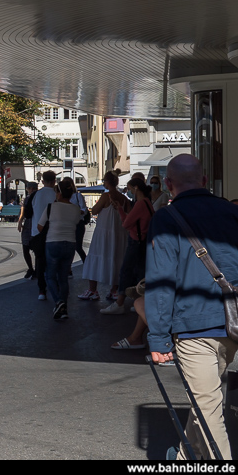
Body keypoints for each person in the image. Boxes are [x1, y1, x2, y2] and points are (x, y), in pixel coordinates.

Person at [147, 154, 238, 460]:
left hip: (192, 328)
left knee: (209, 408)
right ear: (203, 181)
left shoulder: (165, 219)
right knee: (206, 400)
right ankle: (186, 456)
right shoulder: (232, 212)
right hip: (232, 322)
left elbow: (161, 282)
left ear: (169, 185)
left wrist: (158, 338)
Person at [102, 176, 154, 315]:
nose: (129, 191)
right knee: (140, 272)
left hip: (135, 241)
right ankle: (142, 301)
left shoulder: (140, 204)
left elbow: (126, 224)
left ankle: (119, 303)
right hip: (143, 241)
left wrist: (120, 211)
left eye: (130, 189)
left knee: (126, 271)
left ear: (135, 188)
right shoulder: (148, 202)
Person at [36, 178, 84, 322]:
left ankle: (59, 302)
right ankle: (63, 307)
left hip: (53, 242)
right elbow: (75, 223)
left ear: (59, 193)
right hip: (70, 243)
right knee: (63, 277)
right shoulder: (76, 209)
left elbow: (40, 227)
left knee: (50, 276)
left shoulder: (51, 207)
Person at [80, 171, 129, 302]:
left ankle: (93, 290)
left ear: (107, 182)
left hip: (104, 232)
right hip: (119, 233)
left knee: (96, 257)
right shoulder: (123, 198)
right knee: (117, 258)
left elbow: (94, 210)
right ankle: (114, 290)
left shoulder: (106, 196)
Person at [29, 171, 60, 301]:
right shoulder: (57, 195)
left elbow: (28, 213)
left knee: (40, 261)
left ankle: (42, 290)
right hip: (54, 232)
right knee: (54, 261)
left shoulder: (36, 194)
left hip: (37, 232)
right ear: (54, 181)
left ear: (42, 181)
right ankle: (57, 287)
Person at [18, 181, 39, 280]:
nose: (30, 190)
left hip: (35, 224)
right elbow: (23, 211)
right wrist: (20, 221)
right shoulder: (26, 199)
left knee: (36, 249)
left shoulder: (38, 198)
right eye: (29, 188)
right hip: (28, 225)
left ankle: (36, 270)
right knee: (25, 248)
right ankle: (31, 268)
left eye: (32, 189)